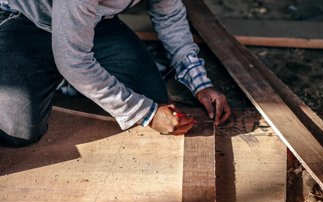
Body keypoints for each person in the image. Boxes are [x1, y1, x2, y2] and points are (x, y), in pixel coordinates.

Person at [0, 0, 231, 147]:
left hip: (94, 22)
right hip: (28, 22)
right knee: (18, 132)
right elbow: (74, 61)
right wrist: (147, 113)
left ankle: (70, 84)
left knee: (152, 96)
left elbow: (168, 15)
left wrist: (200, 83)